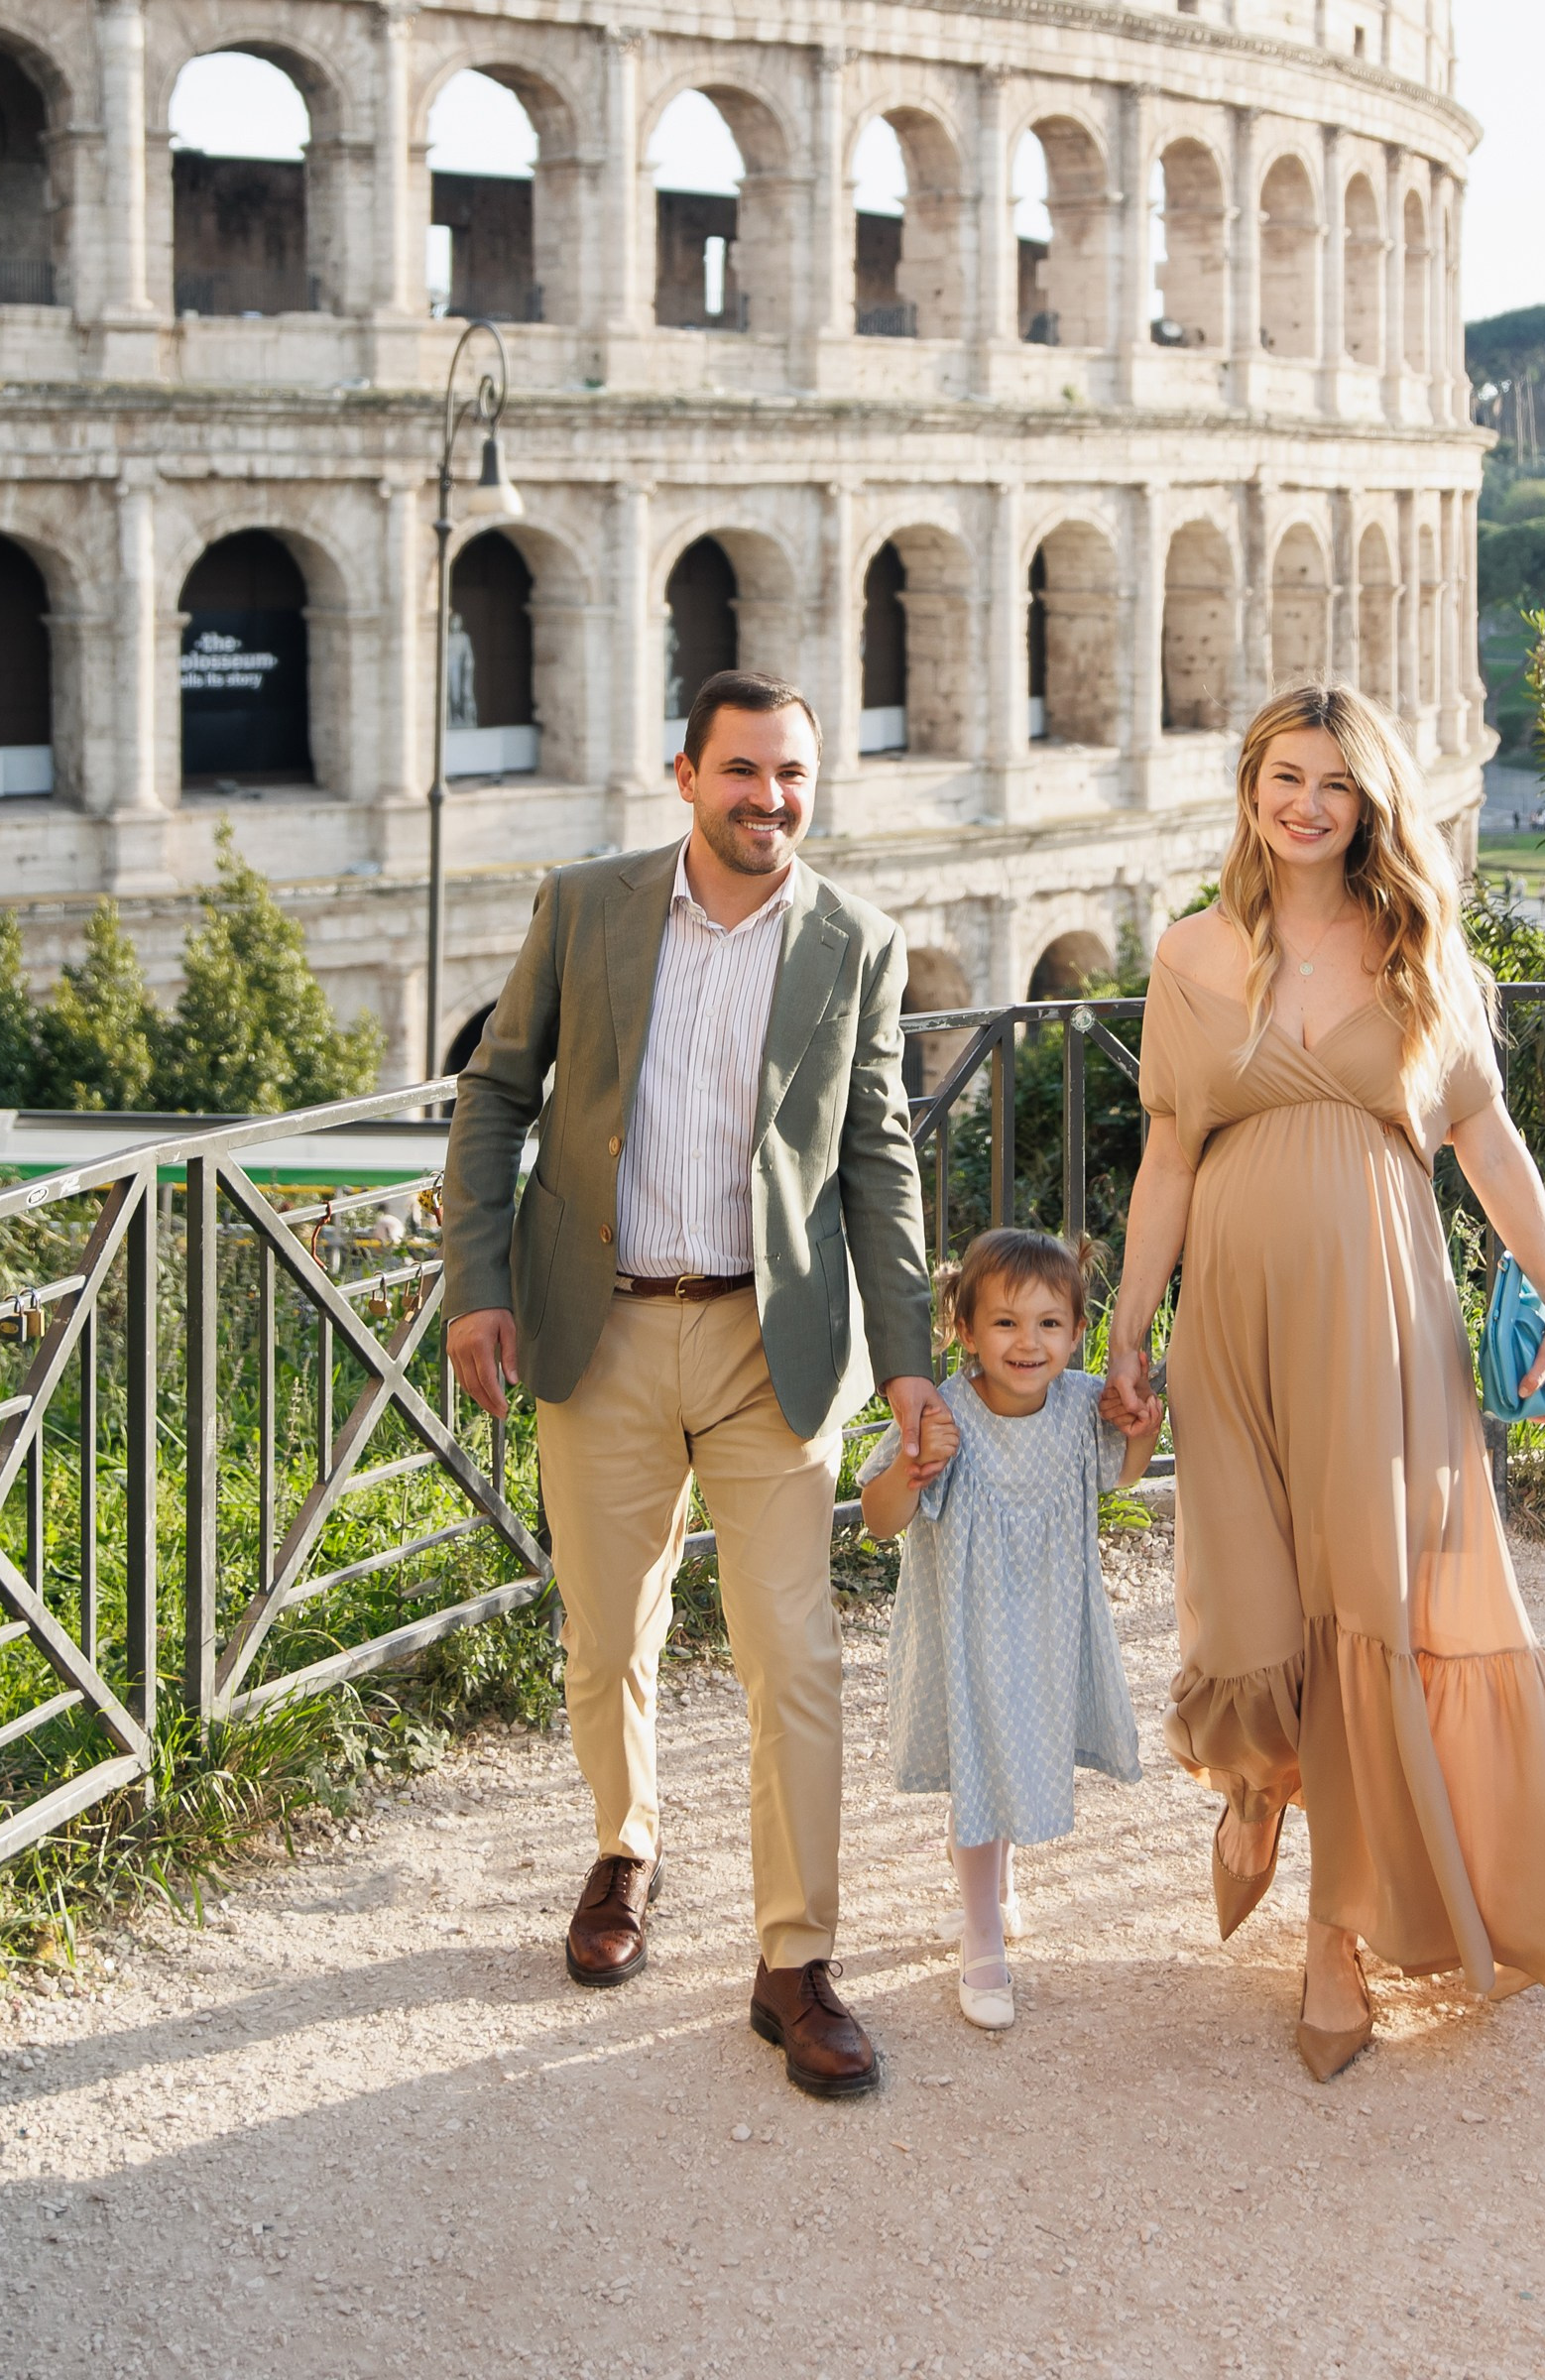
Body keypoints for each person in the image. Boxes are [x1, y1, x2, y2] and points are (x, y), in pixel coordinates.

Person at [439, 667, 949, 2100]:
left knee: (797, 1656)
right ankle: (627, 1846)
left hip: (765, 1344)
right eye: (744, 772)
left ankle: (795, 1962)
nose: (770, 799)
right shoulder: (589, 905)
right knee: (608, 1637)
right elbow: (495, 1092)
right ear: (685, 776)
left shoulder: (855, 940)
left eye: (792, 775)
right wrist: (478, 1281)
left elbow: (877, 1161)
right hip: (592, 1329)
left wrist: (906, 1361)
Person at [1099, 684, 1545, 2080]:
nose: (1306, 802)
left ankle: (1333, 1937)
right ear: (1251, 791)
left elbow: (1488, 1144)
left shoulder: (1415, 949)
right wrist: (1130, 1334)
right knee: (1251, 1607)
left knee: (1362, 1614)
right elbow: (1167, 1165)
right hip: (1234, 1330)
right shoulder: (1191, 952)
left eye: (1334, 782)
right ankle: (1256, 1781)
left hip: (1383, 1325)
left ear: (1370, 804)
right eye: (1283, 776)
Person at [860, 1226, 1160, 2030]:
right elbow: (879, 1522)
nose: (1028, 1344)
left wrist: (1142, 1431)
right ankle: (981, 1933)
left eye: (1049, 1324)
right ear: (964, 1330)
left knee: (1017, 1746)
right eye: (1005, 1323)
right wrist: (910, 1467)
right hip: (968, 1629)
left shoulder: (1076, 1404)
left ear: (1076, 1330)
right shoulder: (942, 1409)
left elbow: (1119, 1475)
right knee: (984, 1763)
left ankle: (997, 1882)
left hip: (1048, 1623)